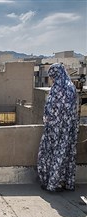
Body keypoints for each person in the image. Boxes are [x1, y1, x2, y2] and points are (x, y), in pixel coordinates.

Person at [37, 63, 79, 192]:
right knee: (66, 156)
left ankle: (52, 183)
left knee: (50, 155)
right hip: (68, 130)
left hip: (54, 129)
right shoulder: (71, 87)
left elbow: (50, 109)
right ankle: (66, 183)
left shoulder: (57, 88)